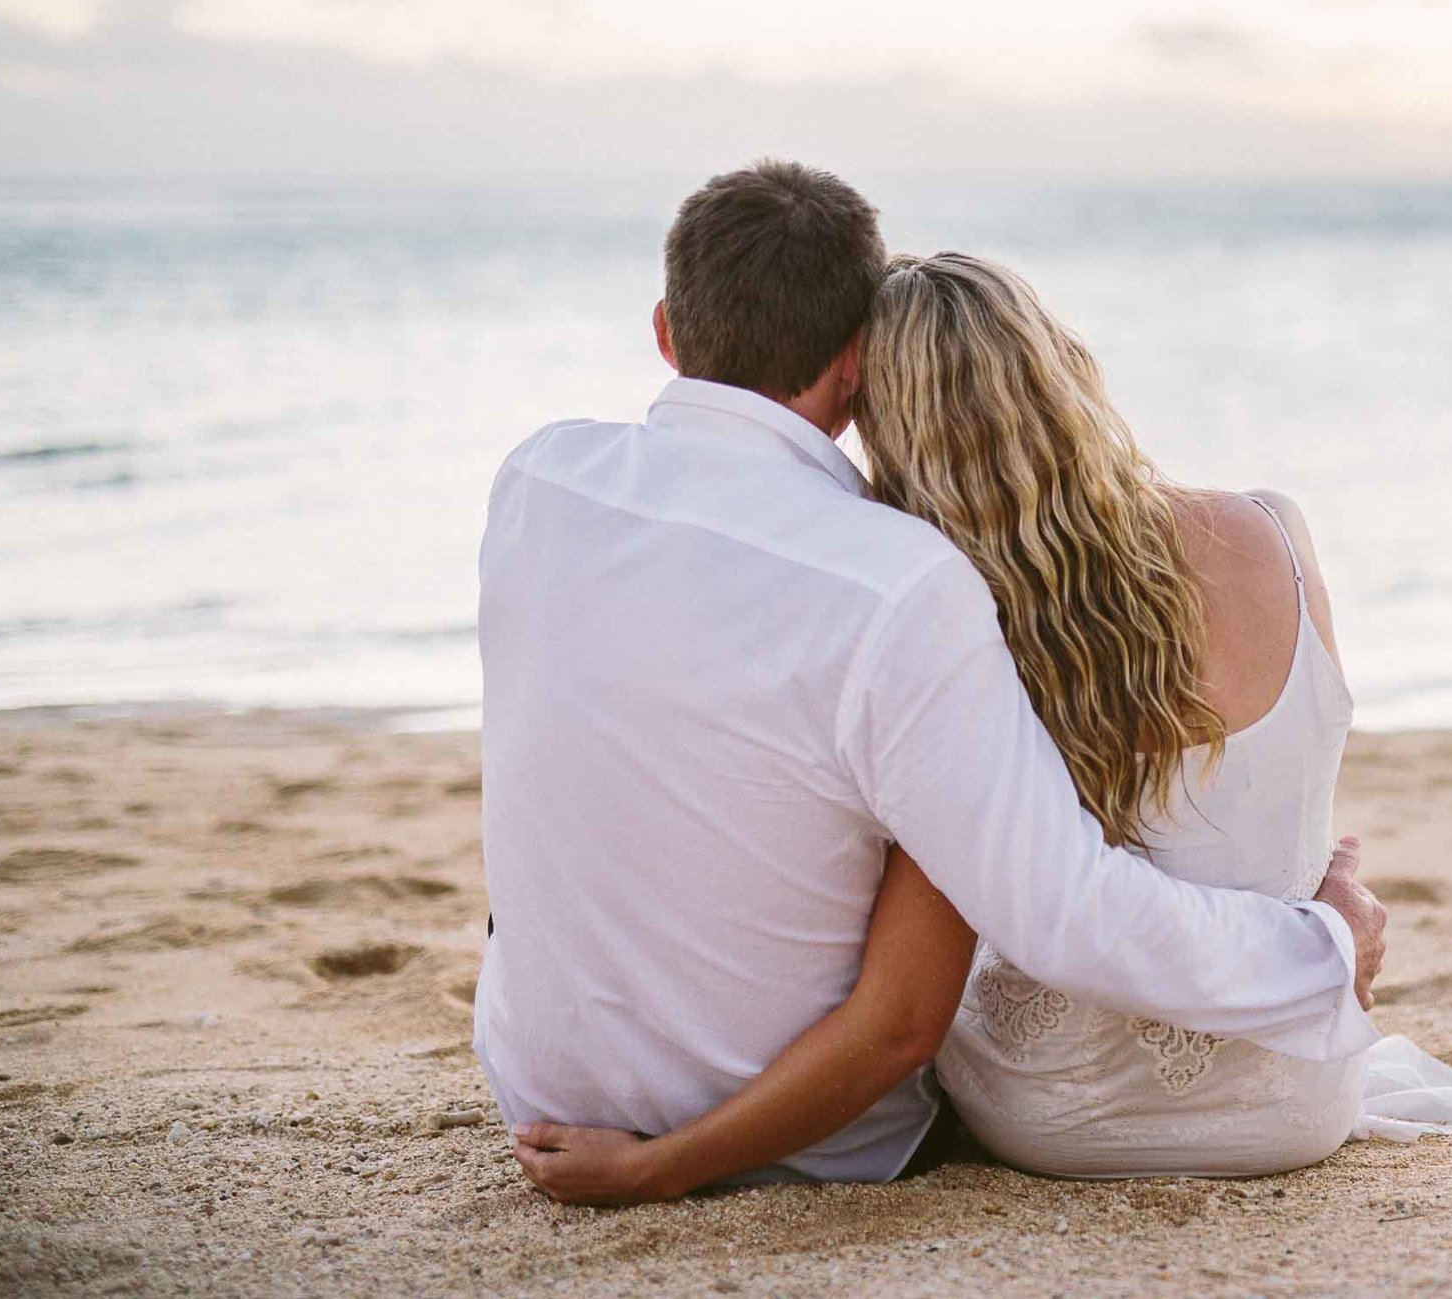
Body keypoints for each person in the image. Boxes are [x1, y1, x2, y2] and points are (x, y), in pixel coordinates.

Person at [471, 161, 1389, 1194]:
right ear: (855, 365)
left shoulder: (536, 478)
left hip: (534, 1086)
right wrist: (1321, 947)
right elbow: (1047, 922)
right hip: (814, 1137)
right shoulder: (900, 583)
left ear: (666, 332)